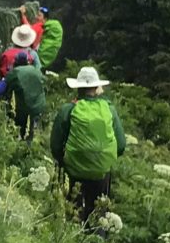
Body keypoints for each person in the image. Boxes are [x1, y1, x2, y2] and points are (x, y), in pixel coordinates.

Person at [48, 65, 127, 218]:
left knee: (72, 209)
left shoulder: (68, 109)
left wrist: (63, 160)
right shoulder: (109, 109)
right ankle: (97, 237)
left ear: (78, 88)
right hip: (101, 171)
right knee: (98, 213)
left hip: (73, 170)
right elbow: (121, 145)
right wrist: (104, 157)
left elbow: (56, 145)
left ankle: (72, 236)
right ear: (97, 87)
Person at [22, 2, 64, 69]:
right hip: (41, 59)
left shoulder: (40, 26)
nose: (36, 17)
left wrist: (23, 15)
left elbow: (29, 29)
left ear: (45, 18)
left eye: (39, 15)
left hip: (34, 54)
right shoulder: (47, 28)